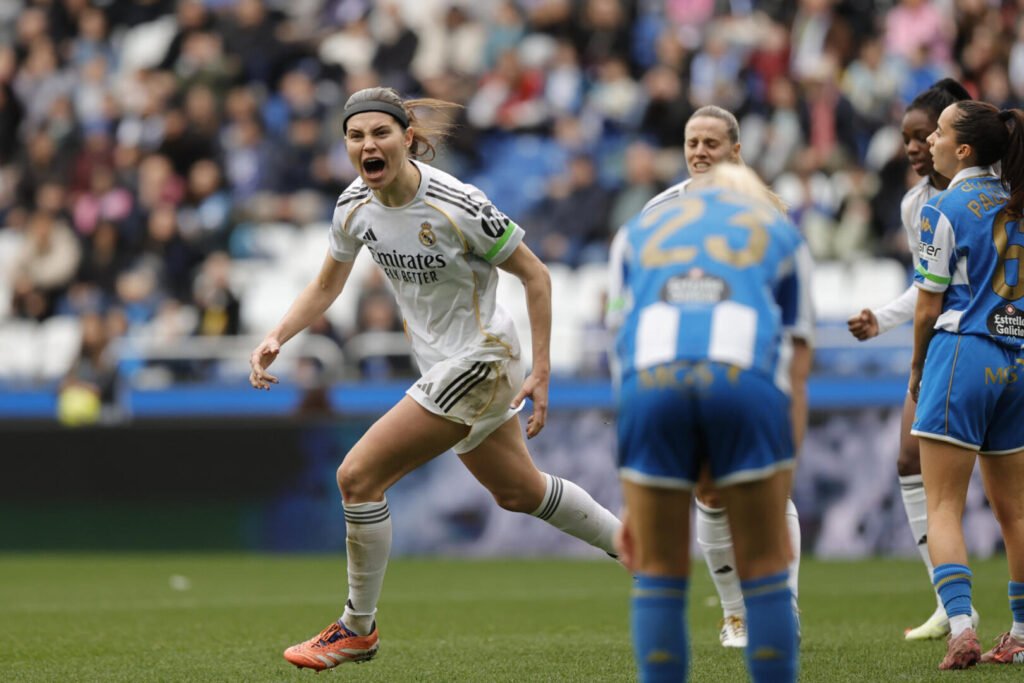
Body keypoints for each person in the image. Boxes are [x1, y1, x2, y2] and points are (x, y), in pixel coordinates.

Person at [248, 86, 622, 671]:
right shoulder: (354, 205)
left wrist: (543, 370)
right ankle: (635, 547)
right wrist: (278, 335)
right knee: (518, 491)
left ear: (407, 138)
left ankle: (356, 628)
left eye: (380, 133)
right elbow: (327, 284)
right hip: (444, 364)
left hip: (484, 357)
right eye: (355, 135)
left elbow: (537, 275)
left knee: (358, 476)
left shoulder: (458, 202)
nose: (368, 144)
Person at [609, 163, 813, 682]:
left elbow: (619, 344)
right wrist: (782, 479)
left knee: (658, 569)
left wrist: (630, 492)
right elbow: (796, 362)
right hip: (742, 378)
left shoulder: (634, 232)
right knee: (766, 567)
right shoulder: (781, 233)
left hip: (650, 383)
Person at [847, 78, 980, 641]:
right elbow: (927, 288)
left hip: (980, 341)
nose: (912, 147)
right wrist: (882, 317)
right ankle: (950, 604)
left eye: (924, 135)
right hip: (947, 341)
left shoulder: (993, 190)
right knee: (909, 460)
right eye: (906, 137)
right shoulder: (914, 204)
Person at [911, 99, 1024, 669]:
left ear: (964, 149)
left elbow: (928, 306)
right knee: (1018, 512)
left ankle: (960, 626)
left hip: (963, 352)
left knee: (944, 505)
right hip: (1018, 358)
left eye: (939, 130)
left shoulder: (944, 205)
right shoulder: (1017, 201)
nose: (928, 138)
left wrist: (916, 368)